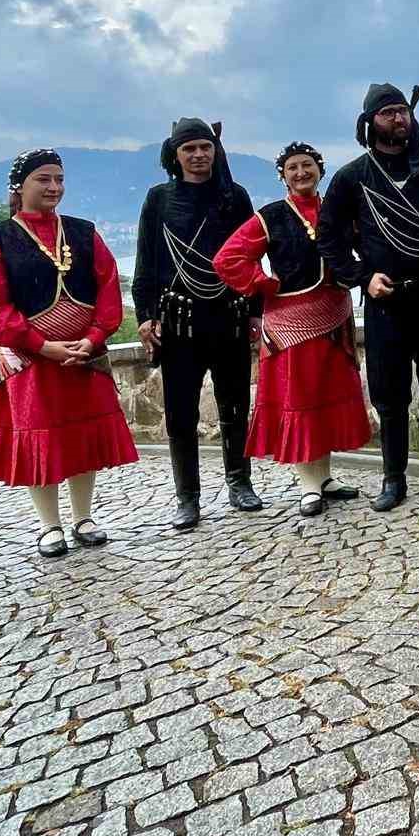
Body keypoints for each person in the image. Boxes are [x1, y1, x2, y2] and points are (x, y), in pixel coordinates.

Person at [0, 149, 138, 558]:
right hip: (31, 360)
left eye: (59, 179)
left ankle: (83, 516)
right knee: (40, 439)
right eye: (43, 179)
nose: (54, 187)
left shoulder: (84, 233)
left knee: (81, 435)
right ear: (20, 186)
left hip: (84, 354)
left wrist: (96, 336)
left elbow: (107, 285)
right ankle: (50, 525)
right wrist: (42, 345)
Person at [318, 83, 419, 512]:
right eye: (387, 112)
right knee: (390, 393)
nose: (398, 118)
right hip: (387, 300)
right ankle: (393, 477)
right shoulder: (352, 178)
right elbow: (328, 238)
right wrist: (362, 277)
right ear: (370, 123)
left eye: (402, 110)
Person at [213, 143, 370, 517]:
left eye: (308, 165)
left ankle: (326, 478)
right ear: (282, 175)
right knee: (301, 399)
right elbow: (228, 258)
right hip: (291, 323)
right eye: (293, 167)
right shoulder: (270, 216)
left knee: (326, 397)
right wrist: (263, 283)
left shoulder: (337, 210)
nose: (301, 172)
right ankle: (308, 485)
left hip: (334, 315)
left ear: (320, 170)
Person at [133, 118, 264, 530]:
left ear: (214, 150)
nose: (198, 155)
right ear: (175, 155)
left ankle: (239, 482)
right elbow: (147, 261)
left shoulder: (234, 197)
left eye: (205, 147)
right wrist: (145, 315)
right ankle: (187, 497)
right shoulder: (158, 200)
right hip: (179, 321)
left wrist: (256, 310)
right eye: (189, 148)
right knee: (180, 414)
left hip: (229, 314)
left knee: (235, 405)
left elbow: (252, 257)